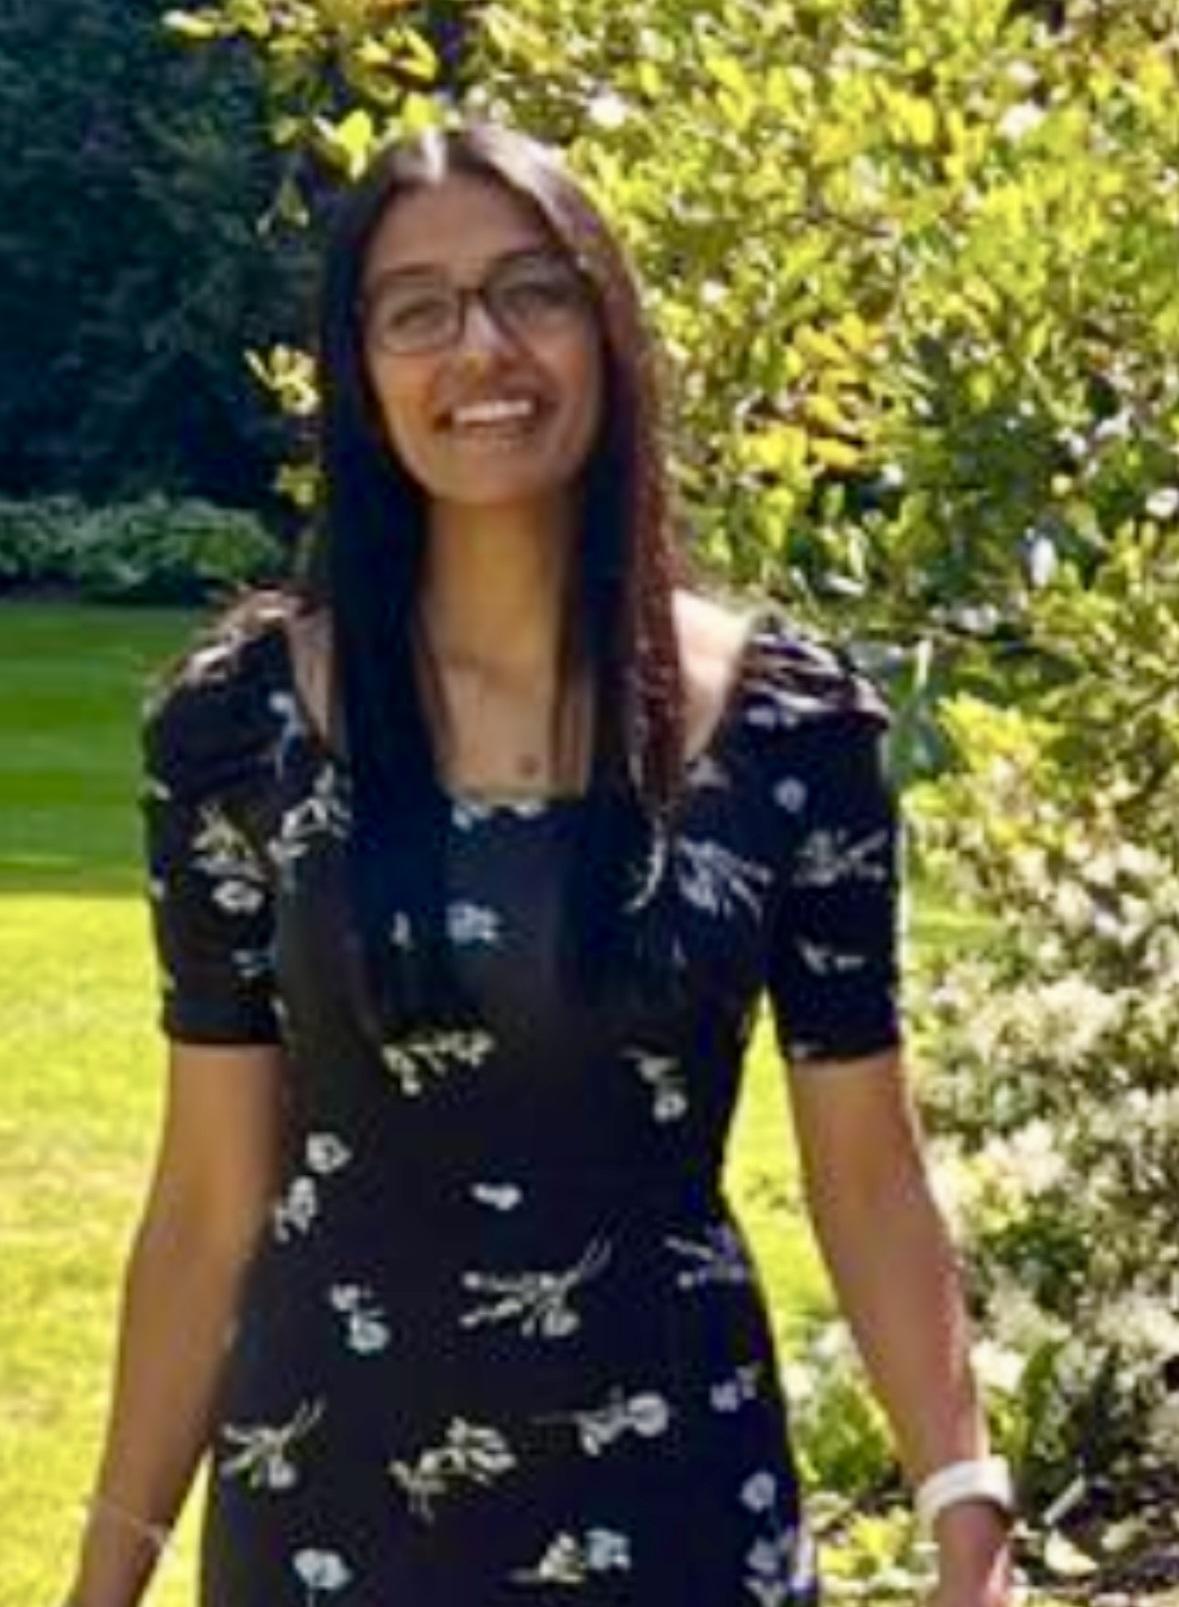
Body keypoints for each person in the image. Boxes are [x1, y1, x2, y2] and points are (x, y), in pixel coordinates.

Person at [63, 121, 1013, 1607]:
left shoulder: (790, 727)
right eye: (417, 310)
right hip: (330, 1518)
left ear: (607, 329)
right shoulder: (239, 730)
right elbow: (207, 1199)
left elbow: (869, 1174)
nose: (481, 349)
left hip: (681, 1509)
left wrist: (964, 1501)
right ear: (360, 372)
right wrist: (105, 1574)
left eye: (532, 291)